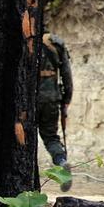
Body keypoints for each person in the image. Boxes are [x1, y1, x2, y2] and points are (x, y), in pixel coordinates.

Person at [38, 31, 73, 187]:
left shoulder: (25, 39)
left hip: (27, 99)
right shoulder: (56, 43)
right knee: (51, 137)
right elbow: (66, 74)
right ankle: (61, 161)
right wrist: (66, 99)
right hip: (52, 97)